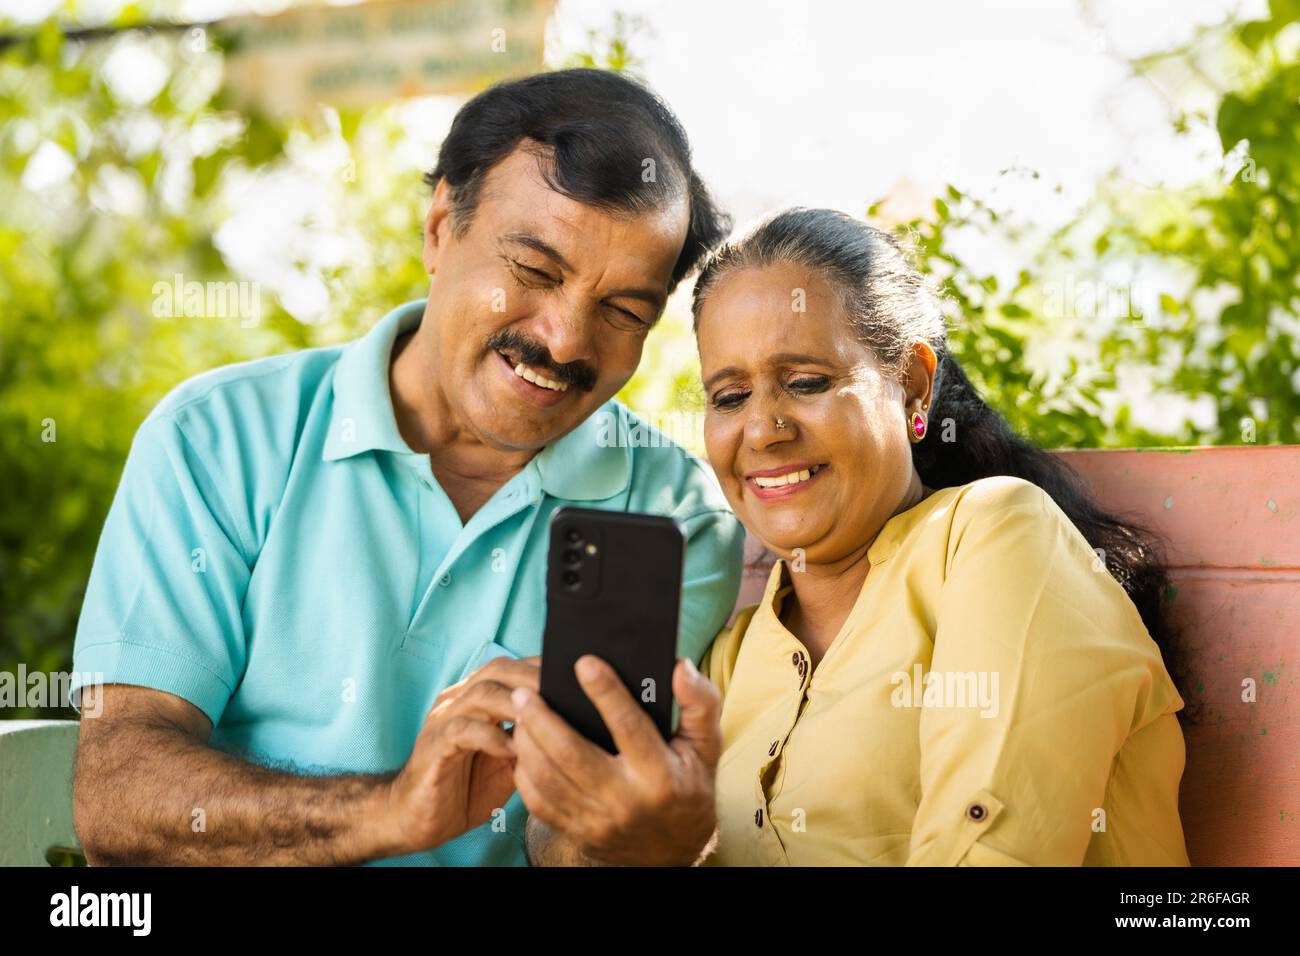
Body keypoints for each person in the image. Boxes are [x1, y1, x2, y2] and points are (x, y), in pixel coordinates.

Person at [68, 68, 745, 867]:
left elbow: (566, 837)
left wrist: (645, 842)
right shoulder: (216, 439)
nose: (565, 340)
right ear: (437, 228)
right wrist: (391, 811)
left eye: (625, 311)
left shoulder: (675, 517)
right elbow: (115, 791)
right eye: (533, 270)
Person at [517, 207, 1190, 866]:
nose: (762, 429)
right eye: (729, 396)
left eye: (806, 382)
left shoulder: (996, 534)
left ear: (913, 388)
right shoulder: (732, 660)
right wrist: (588, 825)